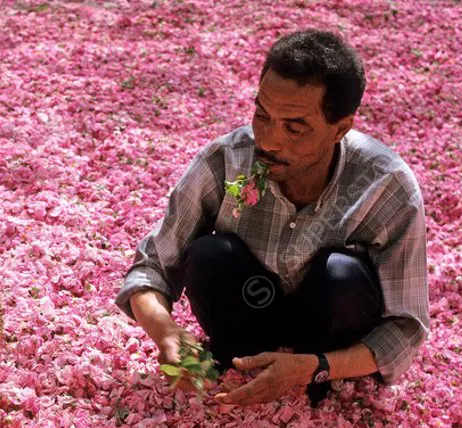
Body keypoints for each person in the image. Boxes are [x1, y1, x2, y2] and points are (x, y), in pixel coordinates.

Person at [115, 29, 430, 408]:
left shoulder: (386, 186)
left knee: (342, 274)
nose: (268, 140)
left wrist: (316, 366)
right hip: (246, 324)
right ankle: (240, 361)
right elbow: (150, 268)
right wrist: (165, 332)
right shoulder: (226, 160)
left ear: (341, 129)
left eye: (294, 127)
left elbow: (405, 327)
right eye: (262, 115)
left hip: (328, 348)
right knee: (211, 254)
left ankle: (316, 384)